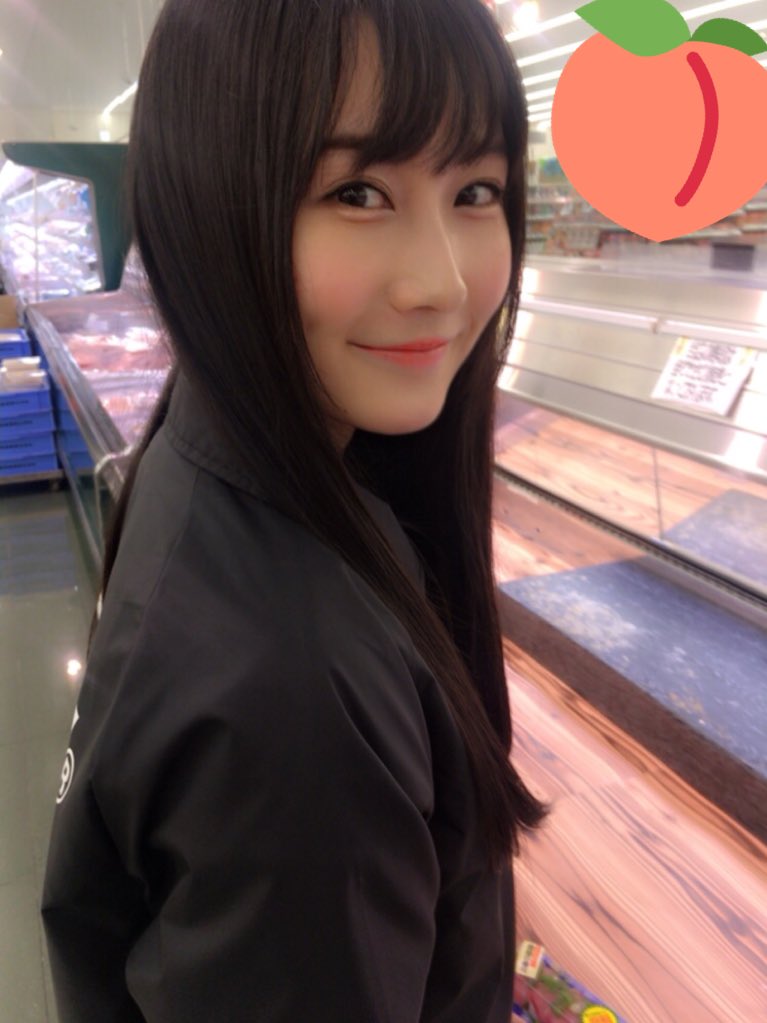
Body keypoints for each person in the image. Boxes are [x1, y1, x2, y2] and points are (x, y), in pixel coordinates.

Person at [41, 1, 548, 1020]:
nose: (442, 282)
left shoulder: (222, 442)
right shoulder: (301, 696)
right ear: (207, 203)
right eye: (358, 192)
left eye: (475, 190)